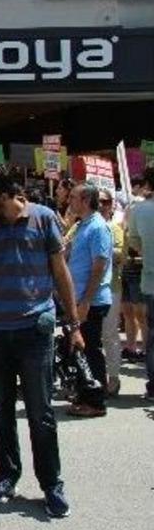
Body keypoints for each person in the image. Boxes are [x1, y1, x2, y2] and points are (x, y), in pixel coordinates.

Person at [0, 165, 83, 518]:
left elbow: (60, 271)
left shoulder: (44, 218)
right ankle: (7, 477)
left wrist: (73, 323)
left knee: (40, 413)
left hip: (35, 330)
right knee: (1, 410)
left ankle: (52, 485)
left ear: (2, 196)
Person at [64, 183, 113, 417]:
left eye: (73, 197)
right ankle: (85, 394)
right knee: (80, 350)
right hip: (79, 297)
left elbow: (99, 266)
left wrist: (86, 301)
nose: (69, 201)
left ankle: (96, 401)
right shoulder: (81, 225)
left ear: (85, 200)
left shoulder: (98, 227)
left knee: (90, 349)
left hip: (91, 300)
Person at [125, 166, 154, 401]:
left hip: (150, 278)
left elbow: (133, 240)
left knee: (152, 334)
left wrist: (148, 253)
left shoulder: (139, 210)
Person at [98, 188, 124, 397]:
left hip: (110, 288)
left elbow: (120, 255)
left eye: (105, 202)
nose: (101, 206)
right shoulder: (80, 226)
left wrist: (99, 245)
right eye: (97, 201)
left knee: (109, 334)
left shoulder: (114, 228)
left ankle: (113, 376)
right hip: (84, 290)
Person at [121, 177, 148, 364]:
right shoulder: (125, 223)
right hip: (127, 268)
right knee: (127, 311)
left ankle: (146, 349)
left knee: (141, 313)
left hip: (139, 269)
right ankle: (131, 347)